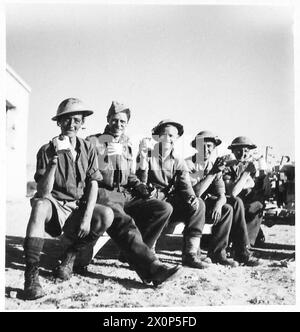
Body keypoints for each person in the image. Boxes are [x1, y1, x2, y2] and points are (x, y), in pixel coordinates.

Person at [23, 98, 114, 300]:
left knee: (106, 214)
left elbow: (93, 183)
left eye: (76, 120)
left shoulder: (88, 147)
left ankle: (69, 257)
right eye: (66, 120)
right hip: (54, 205)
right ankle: (31, 276)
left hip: (77, 206)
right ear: (59, 123)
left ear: (82, 123)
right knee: (38, 205)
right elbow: (44, 193)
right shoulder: (47, 149)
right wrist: (54, 162)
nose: (71, 125)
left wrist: (87, 217)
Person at [86, 102, 181, 286]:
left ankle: (132, 254)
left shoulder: (126, 144)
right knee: (125, 223)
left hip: (125, 193)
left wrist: (140, 186)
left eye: (123, 121)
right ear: (108, 120)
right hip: (104, 193)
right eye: (115, 120)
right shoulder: (93, 141)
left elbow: (129, 174)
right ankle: (152, 268)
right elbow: (88, 170)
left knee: (163, 208)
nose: (118, 124)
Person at [136, 120, 209, 269]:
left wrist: (191, 197)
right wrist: (143, 160)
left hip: (169, 199)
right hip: (150, 198)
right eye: (164, 134)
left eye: (172, 136)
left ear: (176, 138)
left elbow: (185, 185)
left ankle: (190, 254)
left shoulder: (178, 160)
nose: (168, 138)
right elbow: (140, 181)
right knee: (162, 206)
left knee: (199, 204)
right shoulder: (147, 155)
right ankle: (149, 253)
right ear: (157, 137)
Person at [186, 131, 259, 266]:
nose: (206, 149)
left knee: (231, 206)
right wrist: (213, 172)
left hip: (206, 203)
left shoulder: (214, 164)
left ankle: (232, 252)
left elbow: (222, 192)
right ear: (196, 147)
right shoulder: (189, 164)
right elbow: (195, 193)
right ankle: (219, 252)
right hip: (191, 205)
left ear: (214, 148)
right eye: (203, 146)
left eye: (210, 146)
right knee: (226, 204)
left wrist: (219, 203)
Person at [223, 136, 264, 250]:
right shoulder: (227, 166)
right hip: (232, 202)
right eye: (239, 150)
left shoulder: (251, 165)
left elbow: (254, 185)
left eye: (246, 150)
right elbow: (233, 192)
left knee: (258, 205)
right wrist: (246, 174)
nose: (243, 154)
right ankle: (242, 244)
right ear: (233, 151)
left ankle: (248, 242)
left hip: (246, 201)